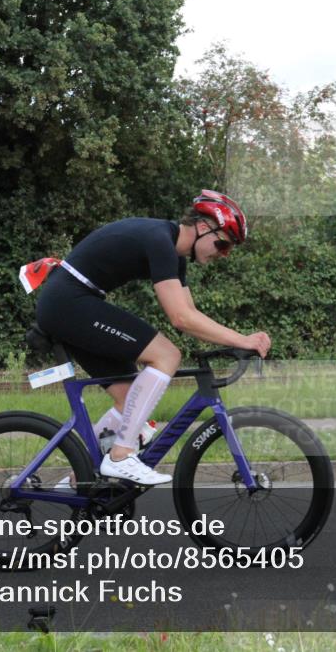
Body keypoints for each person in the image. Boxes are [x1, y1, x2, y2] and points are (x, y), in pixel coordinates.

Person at [34, 190, 271, 485]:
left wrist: (233, 340)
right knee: (166, 355)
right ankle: (120, 457)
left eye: (228, 250)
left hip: (71, 301)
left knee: (130, 399)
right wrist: (241, 339)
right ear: (202, 227)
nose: (223, 254)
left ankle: (76, 482)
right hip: (68, 302)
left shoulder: (175, 255)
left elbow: (190, 314)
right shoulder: (160, 240)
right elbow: (180, 318)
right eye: (222, 244)